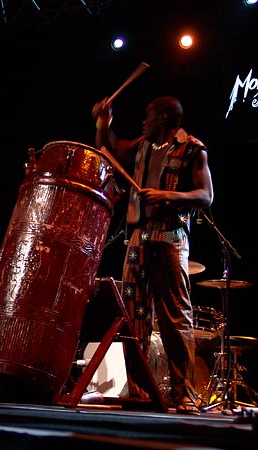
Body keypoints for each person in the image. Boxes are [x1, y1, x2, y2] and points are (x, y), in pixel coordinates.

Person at [91, 95, 214, 415]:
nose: (143, 121)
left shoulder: (192, 149)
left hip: (171, 237)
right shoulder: (143, 146)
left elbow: (206, 195)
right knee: (133, 317)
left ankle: (182, 393)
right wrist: (104, 123)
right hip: (138, 238)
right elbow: (107, 149)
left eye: (148, 116)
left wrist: (166, 194)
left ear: (163, 119)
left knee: (175, 317)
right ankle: (141, 391)